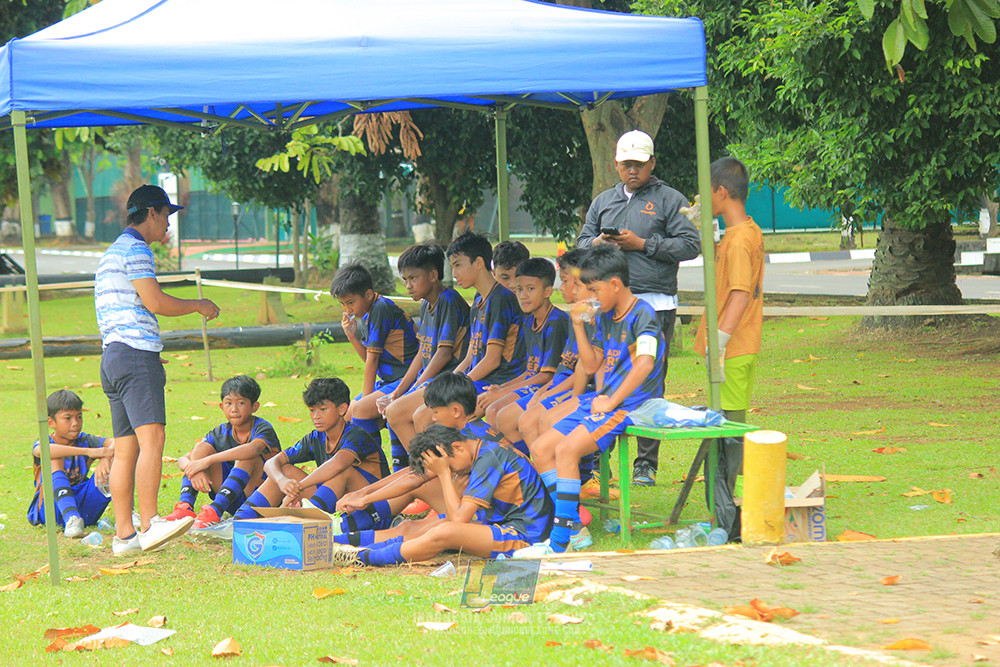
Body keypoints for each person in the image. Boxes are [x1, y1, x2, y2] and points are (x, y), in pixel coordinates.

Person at [95, 184, 221, 555]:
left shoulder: (111, 251)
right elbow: (155, 301)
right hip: (134, 355)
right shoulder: (136, 249)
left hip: (114, 355)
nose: (168, 224)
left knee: (126, 448)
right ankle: (149, 524)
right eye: (167, 215)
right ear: (151, 212)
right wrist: (199, 304)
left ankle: (124, 536)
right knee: (152, 441)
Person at [577, 130, 701, 487]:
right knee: (602, 373)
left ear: (652, 163)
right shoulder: (603, 201)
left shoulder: (669, 199)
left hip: (655, 301)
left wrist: (642, 244)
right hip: (609, 306)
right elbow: (583, 241)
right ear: (616, 164)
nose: (632, 170)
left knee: (648, 380)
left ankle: (646, 463)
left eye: (639, 164)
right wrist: (600, 241)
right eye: (626, 164)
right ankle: (600, 461)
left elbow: (691, 245)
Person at [530, 245, 665, 553]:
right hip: (604, 401)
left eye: (594, 289)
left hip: (630, 406)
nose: (589, 296)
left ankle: (561, 541)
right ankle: (572, 525)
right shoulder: (604, 316)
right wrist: (578, 325)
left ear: (615, 285)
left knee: (565, 450)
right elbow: (592, 365)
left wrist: (611, 400)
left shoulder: (643, 313)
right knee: (540, 449)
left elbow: (644, 363)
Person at [333, 424, 552, 566]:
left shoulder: (489, 459)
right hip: (497, 520)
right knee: (413, 527)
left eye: (450, 466)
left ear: (457, 447)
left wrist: (444, 473)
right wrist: (364, 495)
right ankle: (335, 543)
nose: (454, 472)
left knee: (446, 531)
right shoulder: (473, 451)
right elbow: (414, 477)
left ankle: (363, 557)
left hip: (525, 535)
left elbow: (458, 519)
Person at [333, 372, 507, 548]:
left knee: (413, 528)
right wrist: (364, 494)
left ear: (456, 411)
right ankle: (340, 532)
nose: (433, 418)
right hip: (485, 510)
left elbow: (415, 478)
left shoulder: (461, 442)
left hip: (490, 520)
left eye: (436, 412)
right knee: (409, 524)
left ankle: (338, 535)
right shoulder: (476, 429)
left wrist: (365, 498)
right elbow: (415, 472)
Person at [387, 232, 522, 448]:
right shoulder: (479, 299)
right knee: (395, 412)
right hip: (474, 380)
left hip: (494, 381)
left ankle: (441, 474)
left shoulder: (500, 299)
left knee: (424, 415)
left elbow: (492, 360)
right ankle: (427, 472)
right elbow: (471, 354)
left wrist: (459, 385)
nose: (454, 273)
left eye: (458, 265)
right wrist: (451, 380)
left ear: (478, 263)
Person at [694, 157, 764, 541]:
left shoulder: (739, 240)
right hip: (738, 345)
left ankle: (726, 515)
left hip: (733, 348)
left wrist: (718, 345)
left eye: (707, 191)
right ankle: (723, 509)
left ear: (721, 192)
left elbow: (738, 295)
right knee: (726, 427)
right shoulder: (743, 232)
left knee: (729, 433)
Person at [374, 243, 470, 471]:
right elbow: (423, 351)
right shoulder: (428, 305)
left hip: (451, 379)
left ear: (434, 276)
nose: (408, 286)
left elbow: (443, 353)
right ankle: (415, 472)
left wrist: (416, 388)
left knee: (397, 412)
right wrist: (400, 391)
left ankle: (430, 475)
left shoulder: (448, 299)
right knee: (391, 406)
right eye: (405, 279)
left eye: (413, 278)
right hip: (433, 380)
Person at [160, 375, 280, 533]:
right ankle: (185, 507)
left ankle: (215, 512)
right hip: (231, 497)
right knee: (201, 448)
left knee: (246, 456)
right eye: (228, 403)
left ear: (254, 407)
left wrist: (207, 461)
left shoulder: (262, 428)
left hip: (260, 497)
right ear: (221, 406)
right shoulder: (220, 432)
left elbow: (253, 449)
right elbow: (184, 459)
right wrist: (194, 468)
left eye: (241, 403)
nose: (234, 409)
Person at [479, 257, 569, 457]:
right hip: (536, 383)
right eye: (519, 289)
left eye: (530, 289)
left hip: (556, 387)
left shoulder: (556, 321)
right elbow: (530, 371)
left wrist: (504, 392)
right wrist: (502, 388)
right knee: (487, 409)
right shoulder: (529, 322)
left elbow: (547, 375)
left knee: (498, 413)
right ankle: (511, 470)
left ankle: (527, 471)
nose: (523, 295)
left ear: (547, 292)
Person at [333, 263, 418, 444]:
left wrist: (366, 398)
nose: (347, 309)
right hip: (388, 381)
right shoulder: (367, 313)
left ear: (369, 294)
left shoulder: (380, 309)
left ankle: (373, 464)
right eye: (342, 304)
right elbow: (371, 358)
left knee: (360, 409)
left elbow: (372, 362)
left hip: (406, 379)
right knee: (346, 417)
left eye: (350, 302)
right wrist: (352, 337)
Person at [27, 390, 113, 537]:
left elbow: (117, 443)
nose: (75, 423)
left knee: (118, 458)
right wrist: (88, 452)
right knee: (54, 458)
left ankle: (129, 514)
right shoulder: (46, 442)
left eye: (79, 417)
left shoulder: (85, 440)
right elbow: (41, 451)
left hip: (85, 512)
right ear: (51, 422)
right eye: (68, 418)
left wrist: (106, 458)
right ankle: (71, 519)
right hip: (50, 513)